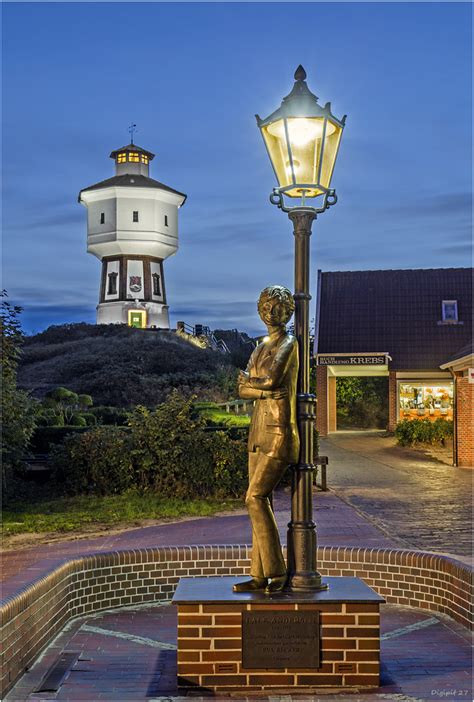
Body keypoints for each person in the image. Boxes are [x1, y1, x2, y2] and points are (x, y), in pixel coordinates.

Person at [233, 285, 299, 595]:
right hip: (257, 432)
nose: (271, 312)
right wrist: (261, 387)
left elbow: (271, 380)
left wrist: (256, 384)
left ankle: (277, 571)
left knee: (254, 497)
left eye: (278, 307)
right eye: (266, 306)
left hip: (279, 432)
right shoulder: (259, 348)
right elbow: (242, 390)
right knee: (260, 503)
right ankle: (258, 576)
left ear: (288, 312)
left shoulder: (289, 343)